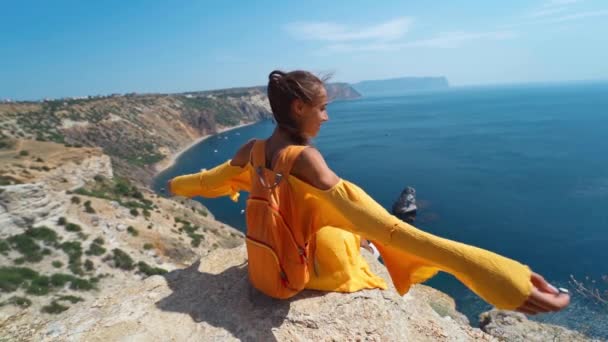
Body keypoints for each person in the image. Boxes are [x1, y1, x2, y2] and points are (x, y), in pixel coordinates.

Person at [168, 70, 570, 315]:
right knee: (353, 232)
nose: (326, 117)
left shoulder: (252, 151)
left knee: (332, 219)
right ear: (297, 108)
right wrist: (485, 269)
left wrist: (174, 185)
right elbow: (390, 228)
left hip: (262, 272)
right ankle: (370, 256)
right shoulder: (307, 161)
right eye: (322, 108)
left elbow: (208, 182)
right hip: (296, 276)